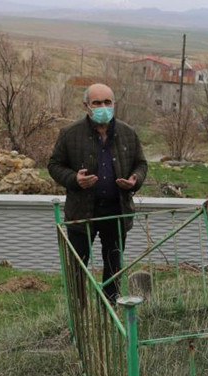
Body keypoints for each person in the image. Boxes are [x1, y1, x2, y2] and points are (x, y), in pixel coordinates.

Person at [49, 83, 147, 302]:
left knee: (113, 269)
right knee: (77, 268)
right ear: (86, 106)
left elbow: (141, 164)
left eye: (107, 102)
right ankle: (79, 315)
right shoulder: (70, 134)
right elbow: (54, 165)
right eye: (97, 103)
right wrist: (74, 179)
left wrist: (134, 180)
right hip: (81, 214)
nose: (103, 107)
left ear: (114, 104)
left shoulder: (128, 133)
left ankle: (109, 311)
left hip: (116, 212)